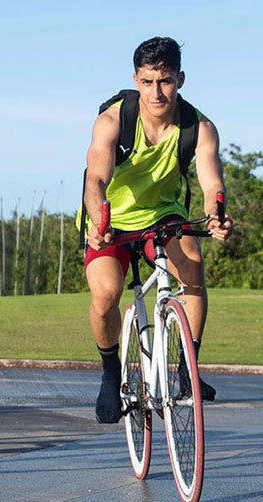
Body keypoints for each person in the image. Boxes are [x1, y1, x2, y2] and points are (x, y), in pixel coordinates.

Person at [82, 37, 233, 423]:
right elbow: (96, 179)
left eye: (164, 81)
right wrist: (98, 220)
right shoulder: (114, 121)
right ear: (136, 80)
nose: (156, 92)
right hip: (111, 221)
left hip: (164, 218)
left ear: (180, 79)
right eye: (147, 82)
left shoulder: (199, 128)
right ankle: (110, 372)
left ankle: (187, 368)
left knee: (193, 266)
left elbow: (211, 181)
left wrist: (216, 213)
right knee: (106, 294)